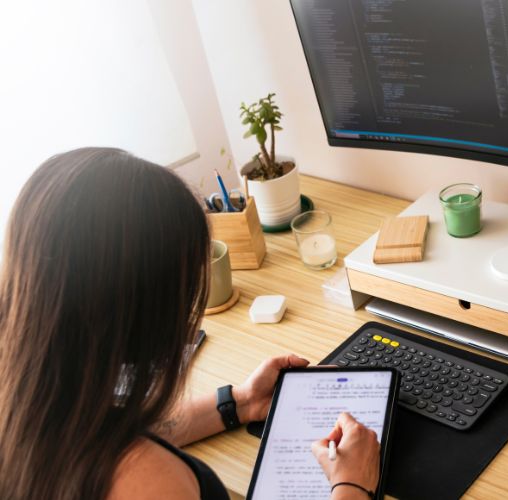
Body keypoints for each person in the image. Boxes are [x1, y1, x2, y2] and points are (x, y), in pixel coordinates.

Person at [0, 148, 380, 499]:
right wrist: (351, 485)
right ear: (146, 311)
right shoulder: (146, 481)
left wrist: (239, 403)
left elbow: (120, 428)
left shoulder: (33, 396)